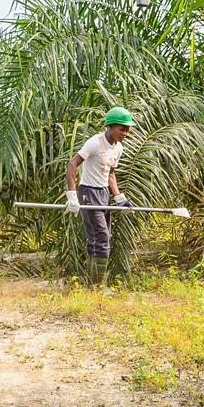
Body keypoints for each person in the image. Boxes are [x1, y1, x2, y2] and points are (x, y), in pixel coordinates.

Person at [64, 108, 135, 284]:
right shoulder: (94, 142)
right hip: (88, 192)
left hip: (103, 193)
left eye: (127, 130)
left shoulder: (118, 148)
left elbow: (110, 175)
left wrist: (119, 199)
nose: (124, 133)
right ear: (110, 126)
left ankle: (91, 285)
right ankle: (96, 287)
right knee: (101, 237)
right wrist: (72, 195)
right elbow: (72, 165)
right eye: (121, 128)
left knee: (101, 238)